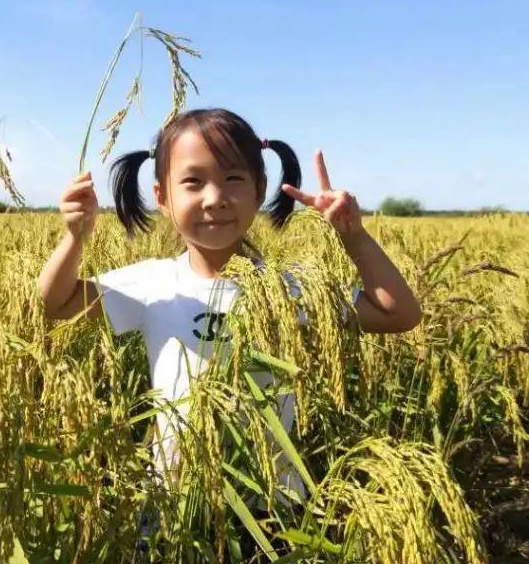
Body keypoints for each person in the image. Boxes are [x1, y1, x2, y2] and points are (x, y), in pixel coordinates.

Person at [36, 107, 422, 554]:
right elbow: (57, 302)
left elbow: (400, 314)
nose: (215, 197)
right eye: (193, 181)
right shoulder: (153, 282)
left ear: (260, 190)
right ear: (162, 197)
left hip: (270, 503)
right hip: (173, 498)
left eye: (234, 179)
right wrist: (74, 237)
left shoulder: (291, 288)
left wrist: (353, 235)